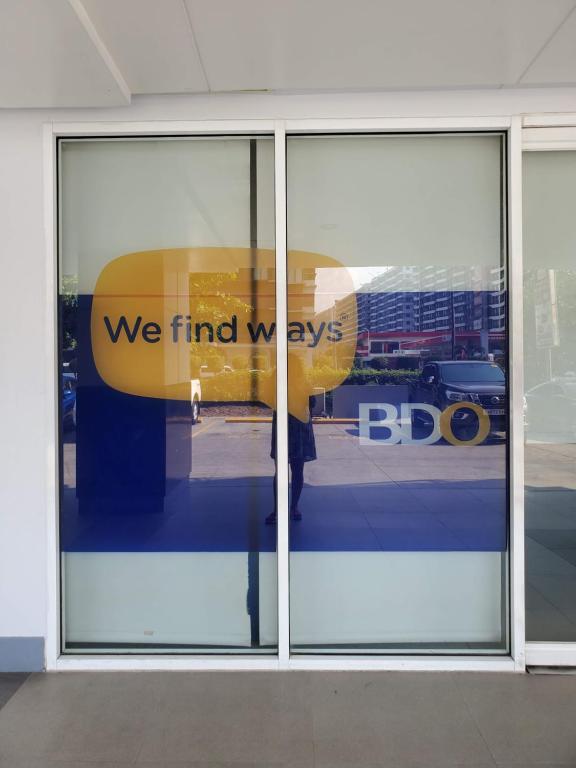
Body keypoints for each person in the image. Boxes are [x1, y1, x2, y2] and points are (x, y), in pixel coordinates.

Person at [266, 395, 317, 525]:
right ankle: (290, 508)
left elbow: (311, 402)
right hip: (292, 424)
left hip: (294, 425)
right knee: (293, 470)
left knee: (290, 470)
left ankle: (284, 509)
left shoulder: (300, 383)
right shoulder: (300, 382)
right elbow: (312, 402)